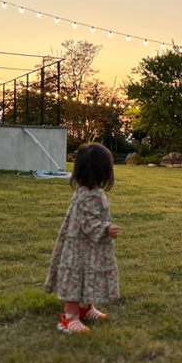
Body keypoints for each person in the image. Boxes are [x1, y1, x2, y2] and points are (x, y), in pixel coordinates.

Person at [44, 143, 121, 334]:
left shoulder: (91, 192)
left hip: (89, 248)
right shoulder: (88, 196)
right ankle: (69, 318)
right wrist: (106, 228)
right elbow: (88, 222)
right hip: (79, 249)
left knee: (90, 275)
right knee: (76, 280)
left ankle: (86, 307)